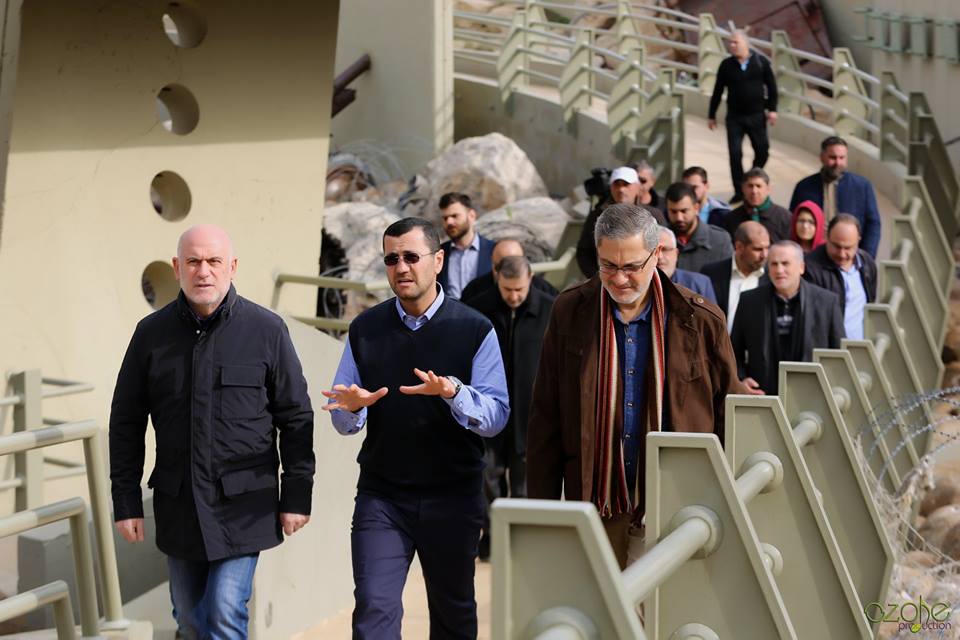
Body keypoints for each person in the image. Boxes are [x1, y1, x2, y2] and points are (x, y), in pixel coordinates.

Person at [109, 225, 315, 639]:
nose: (204, 271)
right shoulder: (150, 334)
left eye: (214, 261)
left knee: (224, 611)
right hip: (179, 505)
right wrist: (126, 501)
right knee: (189, 619)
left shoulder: (266, 330)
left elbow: (295, 417)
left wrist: (296, 495)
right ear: (177, 268)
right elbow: (126, 421)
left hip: (245, 506)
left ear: (232, 266)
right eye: (193, 262)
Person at [322, 217, 509, 639]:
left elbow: (497, 416)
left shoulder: (474, 328)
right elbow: (343, 418)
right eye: (391, 259)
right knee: (374, 610)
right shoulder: (365, 329)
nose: (401, 267)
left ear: (438, 260)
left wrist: (454, 393)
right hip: (383, 498)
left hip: (453, 496)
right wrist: (351, 409)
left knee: (453, 615)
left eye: (411, 256)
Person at [527, 203, 741, 568]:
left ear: (657, 255)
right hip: (595, 503)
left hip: (675, 505)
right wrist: (542, 514)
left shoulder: (700, 320)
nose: (619, 278)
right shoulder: (570, 311)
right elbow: (546, 416)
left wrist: (721, 504)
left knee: (663, 604)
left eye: (631, 267)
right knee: (598, 602)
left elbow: (728, 417)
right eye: (608, 265)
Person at [466, 255, 555, 561]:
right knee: (487, 474)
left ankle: (520, 537)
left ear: (530, 279)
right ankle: (493, 534)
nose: (514, 296)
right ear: (498, 281)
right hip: (488, 408)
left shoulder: (550, 309)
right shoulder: (478, 308)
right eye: (507, 290)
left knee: (524, 478)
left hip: (532, 410)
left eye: (519, 289)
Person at [731, 241, 844, 395]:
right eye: (774, 264)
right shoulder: (749, 301)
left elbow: (838, 356)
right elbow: (732, 352)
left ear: (801, 267)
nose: (779, 270)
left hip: (812, 396)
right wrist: (741, 380)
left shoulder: (827, 302)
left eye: (785, 264)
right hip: (763, 396)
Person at [707, 30, 778, 203]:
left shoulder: (760, 62)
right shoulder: (726, 65)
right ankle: (739, 190)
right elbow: (718, 90)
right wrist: (711, 114)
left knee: (762, 151)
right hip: (735, 117)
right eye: (730, 42)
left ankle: (751, 176)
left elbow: (772, 87)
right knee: (735, 154)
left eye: (735, 42)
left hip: (756, 115)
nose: (731, 45)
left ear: (745, 44)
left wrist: (772, 109)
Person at [789, 136, 881, 256]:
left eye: (842, 158)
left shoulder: (862, 186)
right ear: (822, 157)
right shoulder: (804, 187)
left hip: (848, 255)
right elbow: (792, 220)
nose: (838, 163)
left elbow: (873, 224)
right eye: (832, 157)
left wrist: (867, 256)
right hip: (814, 255)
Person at [576, 166, 666, 278]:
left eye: (626, 184)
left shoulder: (654, 216)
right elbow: (584, 252)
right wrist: (598, 278)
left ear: (638, 187)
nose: (621, 189)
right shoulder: (597, 216)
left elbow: (665, 249)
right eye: (616, 184)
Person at [803, 214, 877, 341]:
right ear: (826, 237)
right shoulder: (810, 269)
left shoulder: (867, 264)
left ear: (858, 241)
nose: (842, 254)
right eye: (836, 246)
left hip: (861, 346)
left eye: (848, 248)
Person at [700, 221, 771, 332]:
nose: (764, 255)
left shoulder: (771, 276)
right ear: (739, 247)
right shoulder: (711, 274)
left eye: (767, 248)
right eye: (757, 249)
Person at [460, 237, 558, 303]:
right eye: (502, 266)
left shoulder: (545, 291)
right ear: (492, 263)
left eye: (515, 264)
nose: (513, 297)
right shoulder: (474, 291)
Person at [664, 182, 733, 273]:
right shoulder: (658, 241)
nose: (679, 218)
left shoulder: (720, 241)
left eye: (684, 211)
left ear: (696, 208)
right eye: (673, 212)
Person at [437, 192, 496, 299]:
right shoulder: (438, 253)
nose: (449, 222)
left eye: (454, 216)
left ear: (471, 215)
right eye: (445, 218)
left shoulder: (493, 250)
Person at [721, 168, 791, 243]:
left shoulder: (784, 217)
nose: (754, 191)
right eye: (750, 186)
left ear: (768, 189)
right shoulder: (732, 218)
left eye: (758, 186)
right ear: (743, 188)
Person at [657, 226, 717, 303]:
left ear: (676, 253)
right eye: (654, 250)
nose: (659, 256)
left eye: (665, 250)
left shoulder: (700, 284)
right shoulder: (641, 286)